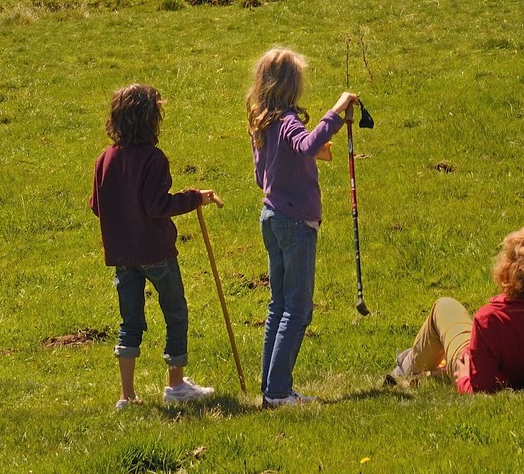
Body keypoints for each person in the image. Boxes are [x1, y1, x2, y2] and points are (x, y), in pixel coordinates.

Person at [90, 83, 220, 410]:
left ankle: (127, 395)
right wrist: (194, 198)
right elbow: (156, 205)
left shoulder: (104, 159)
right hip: (156, 252)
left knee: (129, 321)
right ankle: (175, 384)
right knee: (175, 312)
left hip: (122, 255)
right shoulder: (154, 159)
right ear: (151, 120)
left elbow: (96, 205)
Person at [246, 48, 361, 407]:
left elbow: (266, 171)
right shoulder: (289, 121)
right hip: (296, 221)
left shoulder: (262, 123)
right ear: (291, 85)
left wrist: (306, 157)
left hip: (271, 216)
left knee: (278, 306)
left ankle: (271, 388)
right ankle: (279, 392)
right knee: (298, 309)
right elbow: (307, 142)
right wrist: (338, 111)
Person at [388, 227, 524, 393]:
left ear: (506, 271)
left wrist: (463, 376)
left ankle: (405, 368)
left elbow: (479, 389)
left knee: (444, 306)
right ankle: (428, 371)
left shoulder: (489, 319)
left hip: (474, 361)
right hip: (519, 367)